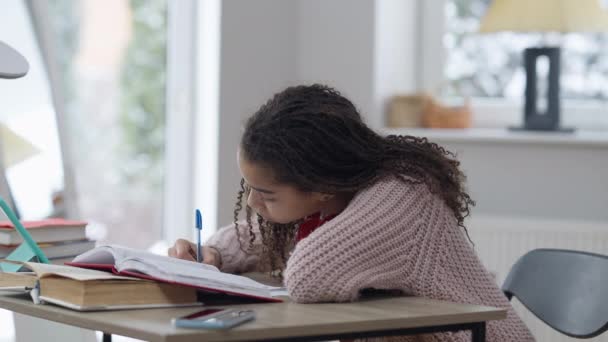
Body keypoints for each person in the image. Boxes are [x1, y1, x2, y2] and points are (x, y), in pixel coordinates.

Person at [168, 84, 534, 341]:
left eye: (265, 193)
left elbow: (309, 276)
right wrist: (213, 254)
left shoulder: (402, 195)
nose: (251, 203)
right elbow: (254, 235)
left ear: (321, 185)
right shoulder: (333, 196)